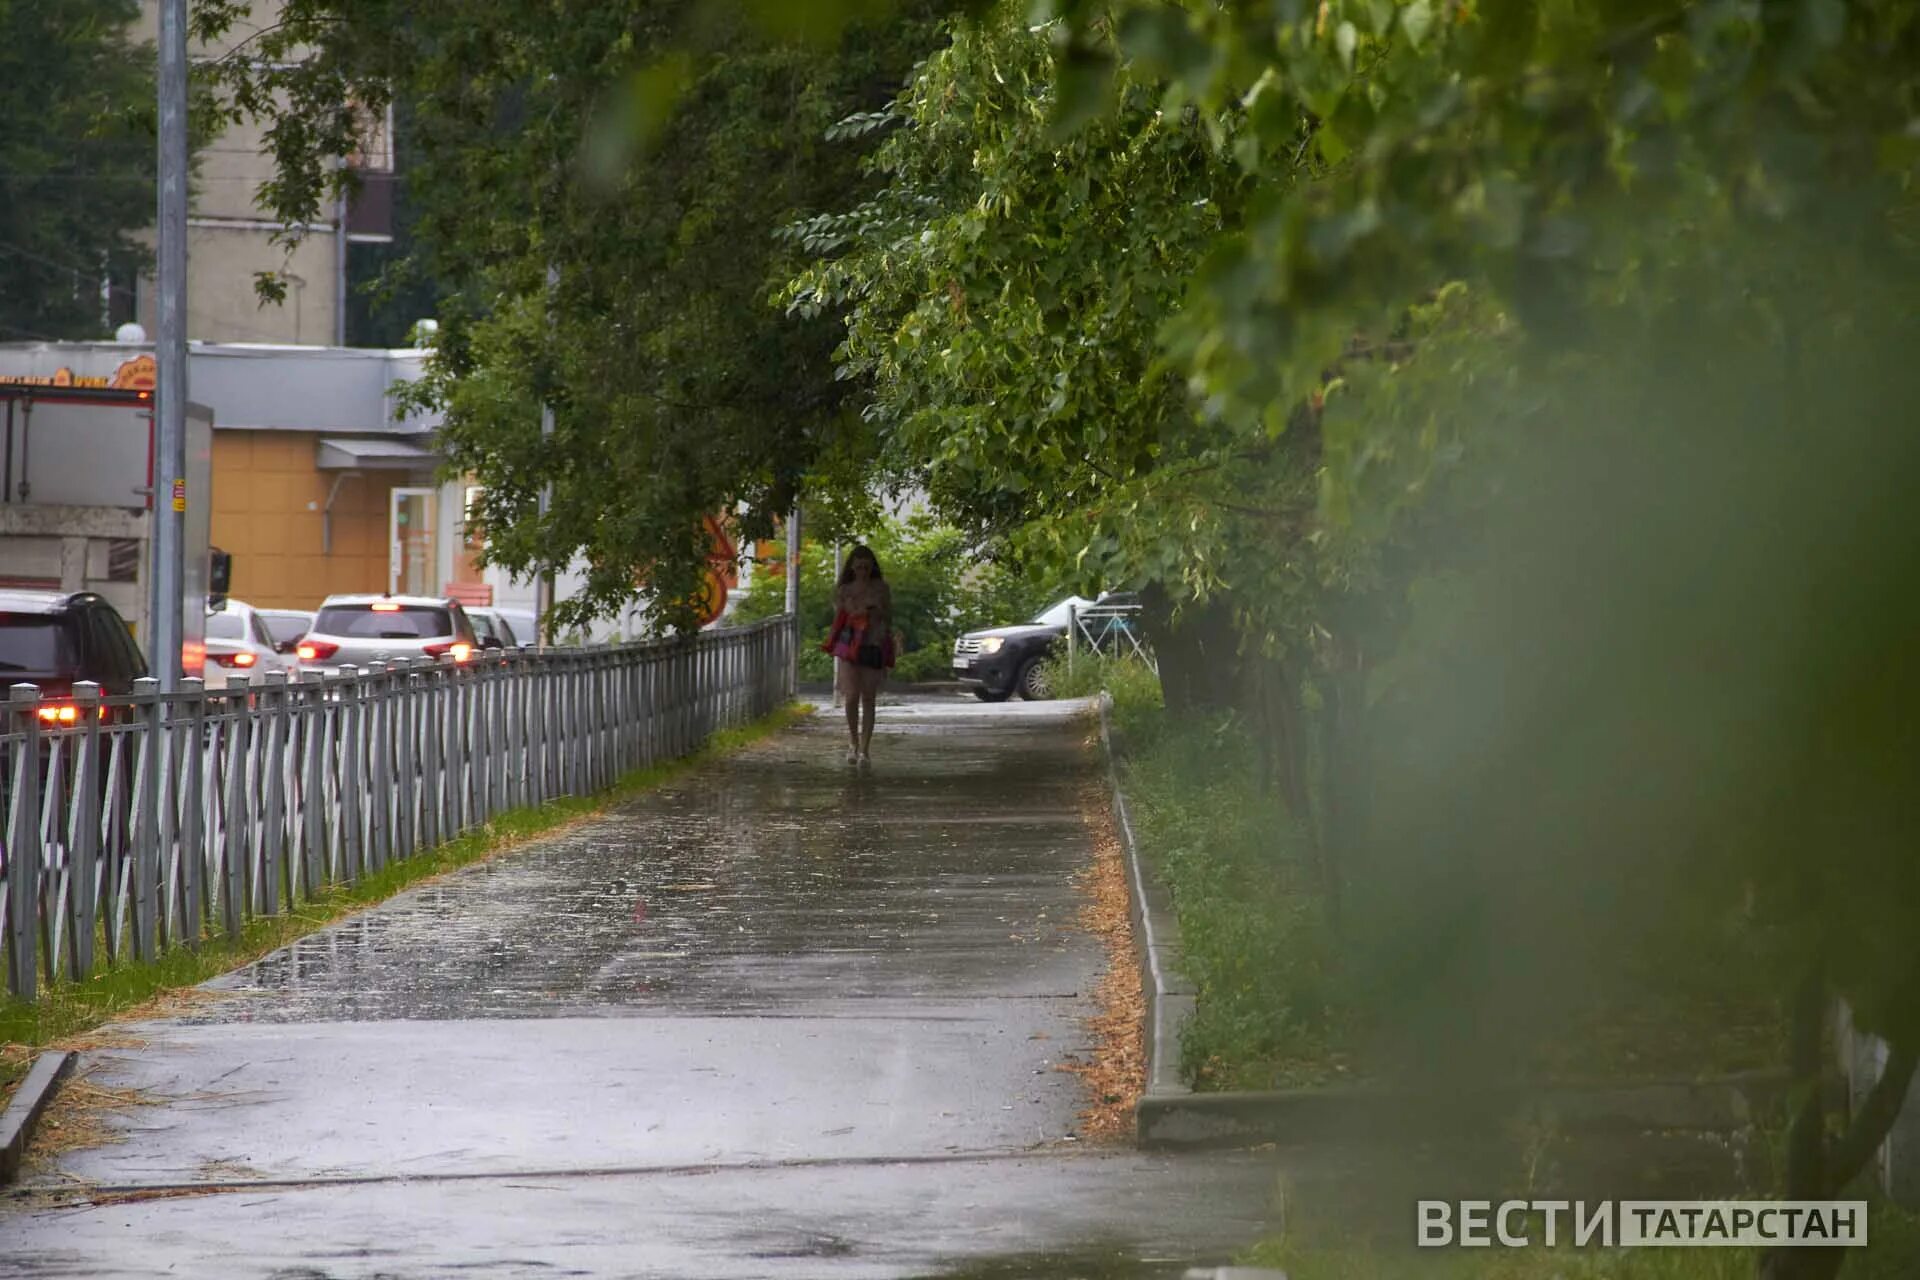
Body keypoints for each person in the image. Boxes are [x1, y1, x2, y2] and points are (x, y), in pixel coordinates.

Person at [820, 544, 894, 766]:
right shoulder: (844, 590)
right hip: (850, 646)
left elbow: (889, 615)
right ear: (852, 567)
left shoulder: (881, 588)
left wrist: (875, 611)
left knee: (869, 697)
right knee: (851, 696)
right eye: (858, 565)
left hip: (873, 644)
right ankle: (853, 742)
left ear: (872, 566)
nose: (862, 569)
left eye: (866, 565)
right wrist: (854, 608)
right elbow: (841, 616)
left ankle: (865, 749)